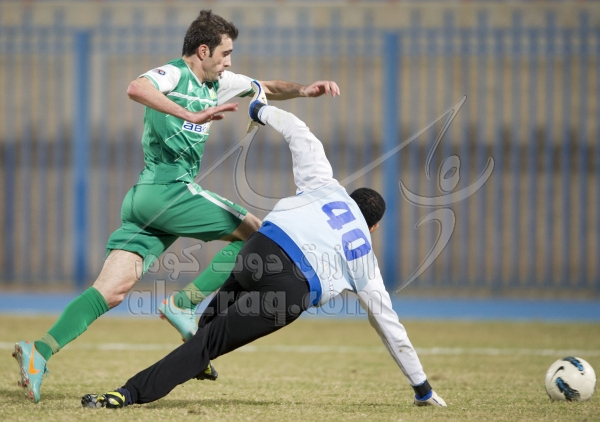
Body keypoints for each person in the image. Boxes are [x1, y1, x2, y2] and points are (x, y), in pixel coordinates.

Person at [12, 10, 340, 404]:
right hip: (168, 190)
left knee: (111, 291)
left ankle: (39, 352)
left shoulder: (218, 83)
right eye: (225, 53)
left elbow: (264, 86)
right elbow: (136, 88)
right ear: (203, 51)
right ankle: (182, 304)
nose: (229, 62)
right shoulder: (174, 75)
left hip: (146, 201)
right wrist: (189, 114)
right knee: (256, 234)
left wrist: (305, 90)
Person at [80, 82, 447, 409]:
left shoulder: (328, 186)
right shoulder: (364, 255)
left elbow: (300, 133)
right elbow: (389, 326)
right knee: (207, 344)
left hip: (258, 250)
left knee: (209, 324)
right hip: (289, 289)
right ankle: (129, 393)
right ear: (374, 227)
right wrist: (422, 388)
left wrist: (260, 110)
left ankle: (196, 344)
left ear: (350, 198)